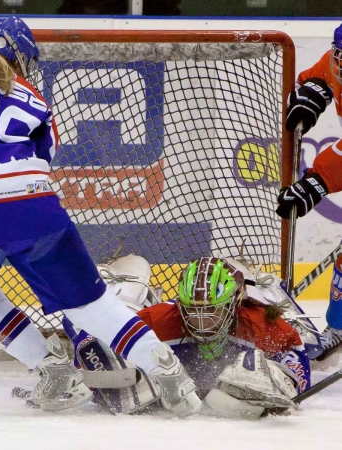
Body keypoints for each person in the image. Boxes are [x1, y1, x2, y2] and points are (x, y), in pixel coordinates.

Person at [0, 16, 202, 417]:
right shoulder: (35, 98)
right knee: (90, 305)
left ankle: (54, 372)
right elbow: (42, 161)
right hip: (39, 209)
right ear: (21, 56)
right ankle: (170, 373)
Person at [63, 255, 317, 419]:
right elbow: (92, 334)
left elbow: (296, 357)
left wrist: (280, 381)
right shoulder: (159, 320)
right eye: (191, 310)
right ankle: (117, 282)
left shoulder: (261, 324)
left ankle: (265, 286)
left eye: (212, 310)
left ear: (235, 304)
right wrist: (101, 369)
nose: (200, 320)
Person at [276, 23, 342, 359]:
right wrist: (316, 89)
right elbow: (321, 73)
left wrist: (318, 182)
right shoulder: (335, 61)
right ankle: (339, 329)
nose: (340, 64)